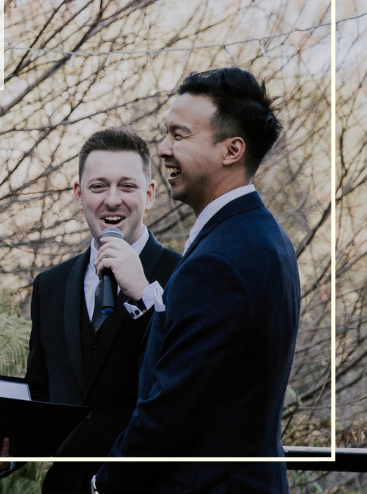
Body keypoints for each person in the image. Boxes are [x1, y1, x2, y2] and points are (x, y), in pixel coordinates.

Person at [92, 67, 301, 494]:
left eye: (179, 136)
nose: (164, 149)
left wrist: (102, 483)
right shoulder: (264, 236)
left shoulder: (221, 259)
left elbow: (170, 411)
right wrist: (151, 298)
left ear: (232, 150)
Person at [0, 128, 181, 493]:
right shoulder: (50, 285)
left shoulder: (184, 274)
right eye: (98, 187)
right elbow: (41, 398)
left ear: (149, 195)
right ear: (79, 195)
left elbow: (183, 383)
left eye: (127, 186)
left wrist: (145, 295)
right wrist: (10, 455)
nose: (112, 200)